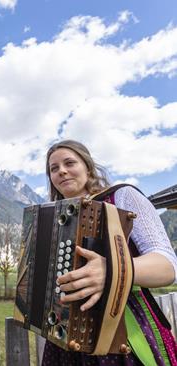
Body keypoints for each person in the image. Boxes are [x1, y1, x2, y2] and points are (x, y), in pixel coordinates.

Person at [41, 140, 177, 366]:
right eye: (53, 169)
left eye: (69, 163)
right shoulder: (52, 219)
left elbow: (167, 265)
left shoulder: (121, 196)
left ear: (88, 167)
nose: (61, 171)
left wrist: (115, 271)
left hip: (122, 328)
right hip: (65, 336)